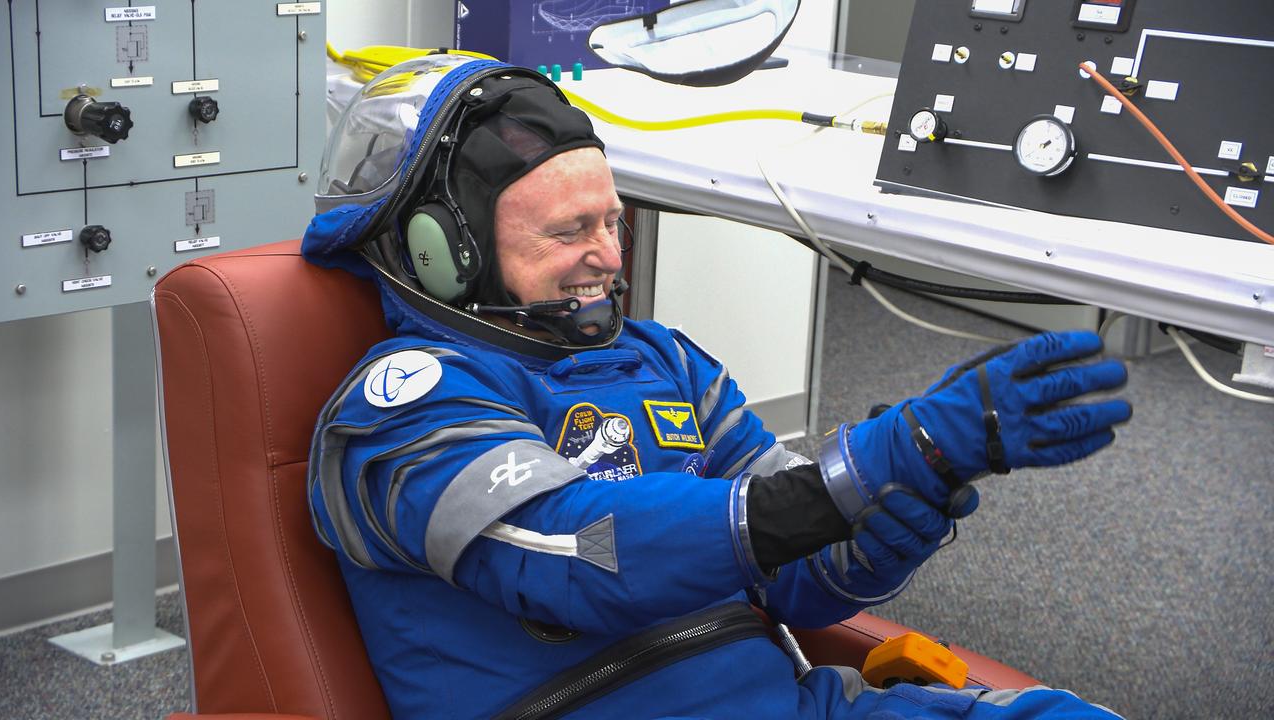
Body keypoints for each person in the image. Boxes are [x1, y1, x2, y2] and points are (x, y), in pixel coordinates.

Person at [302, 55, 1132, 720]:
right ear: (443, 253)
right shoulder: (403, 408)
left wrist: (917, 481)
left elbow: (805, 575)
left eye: (612, 221)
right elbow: (582, 554)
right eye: (569, 231)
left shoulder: (666, 361)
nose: (609, 255)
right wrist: (874, 461)